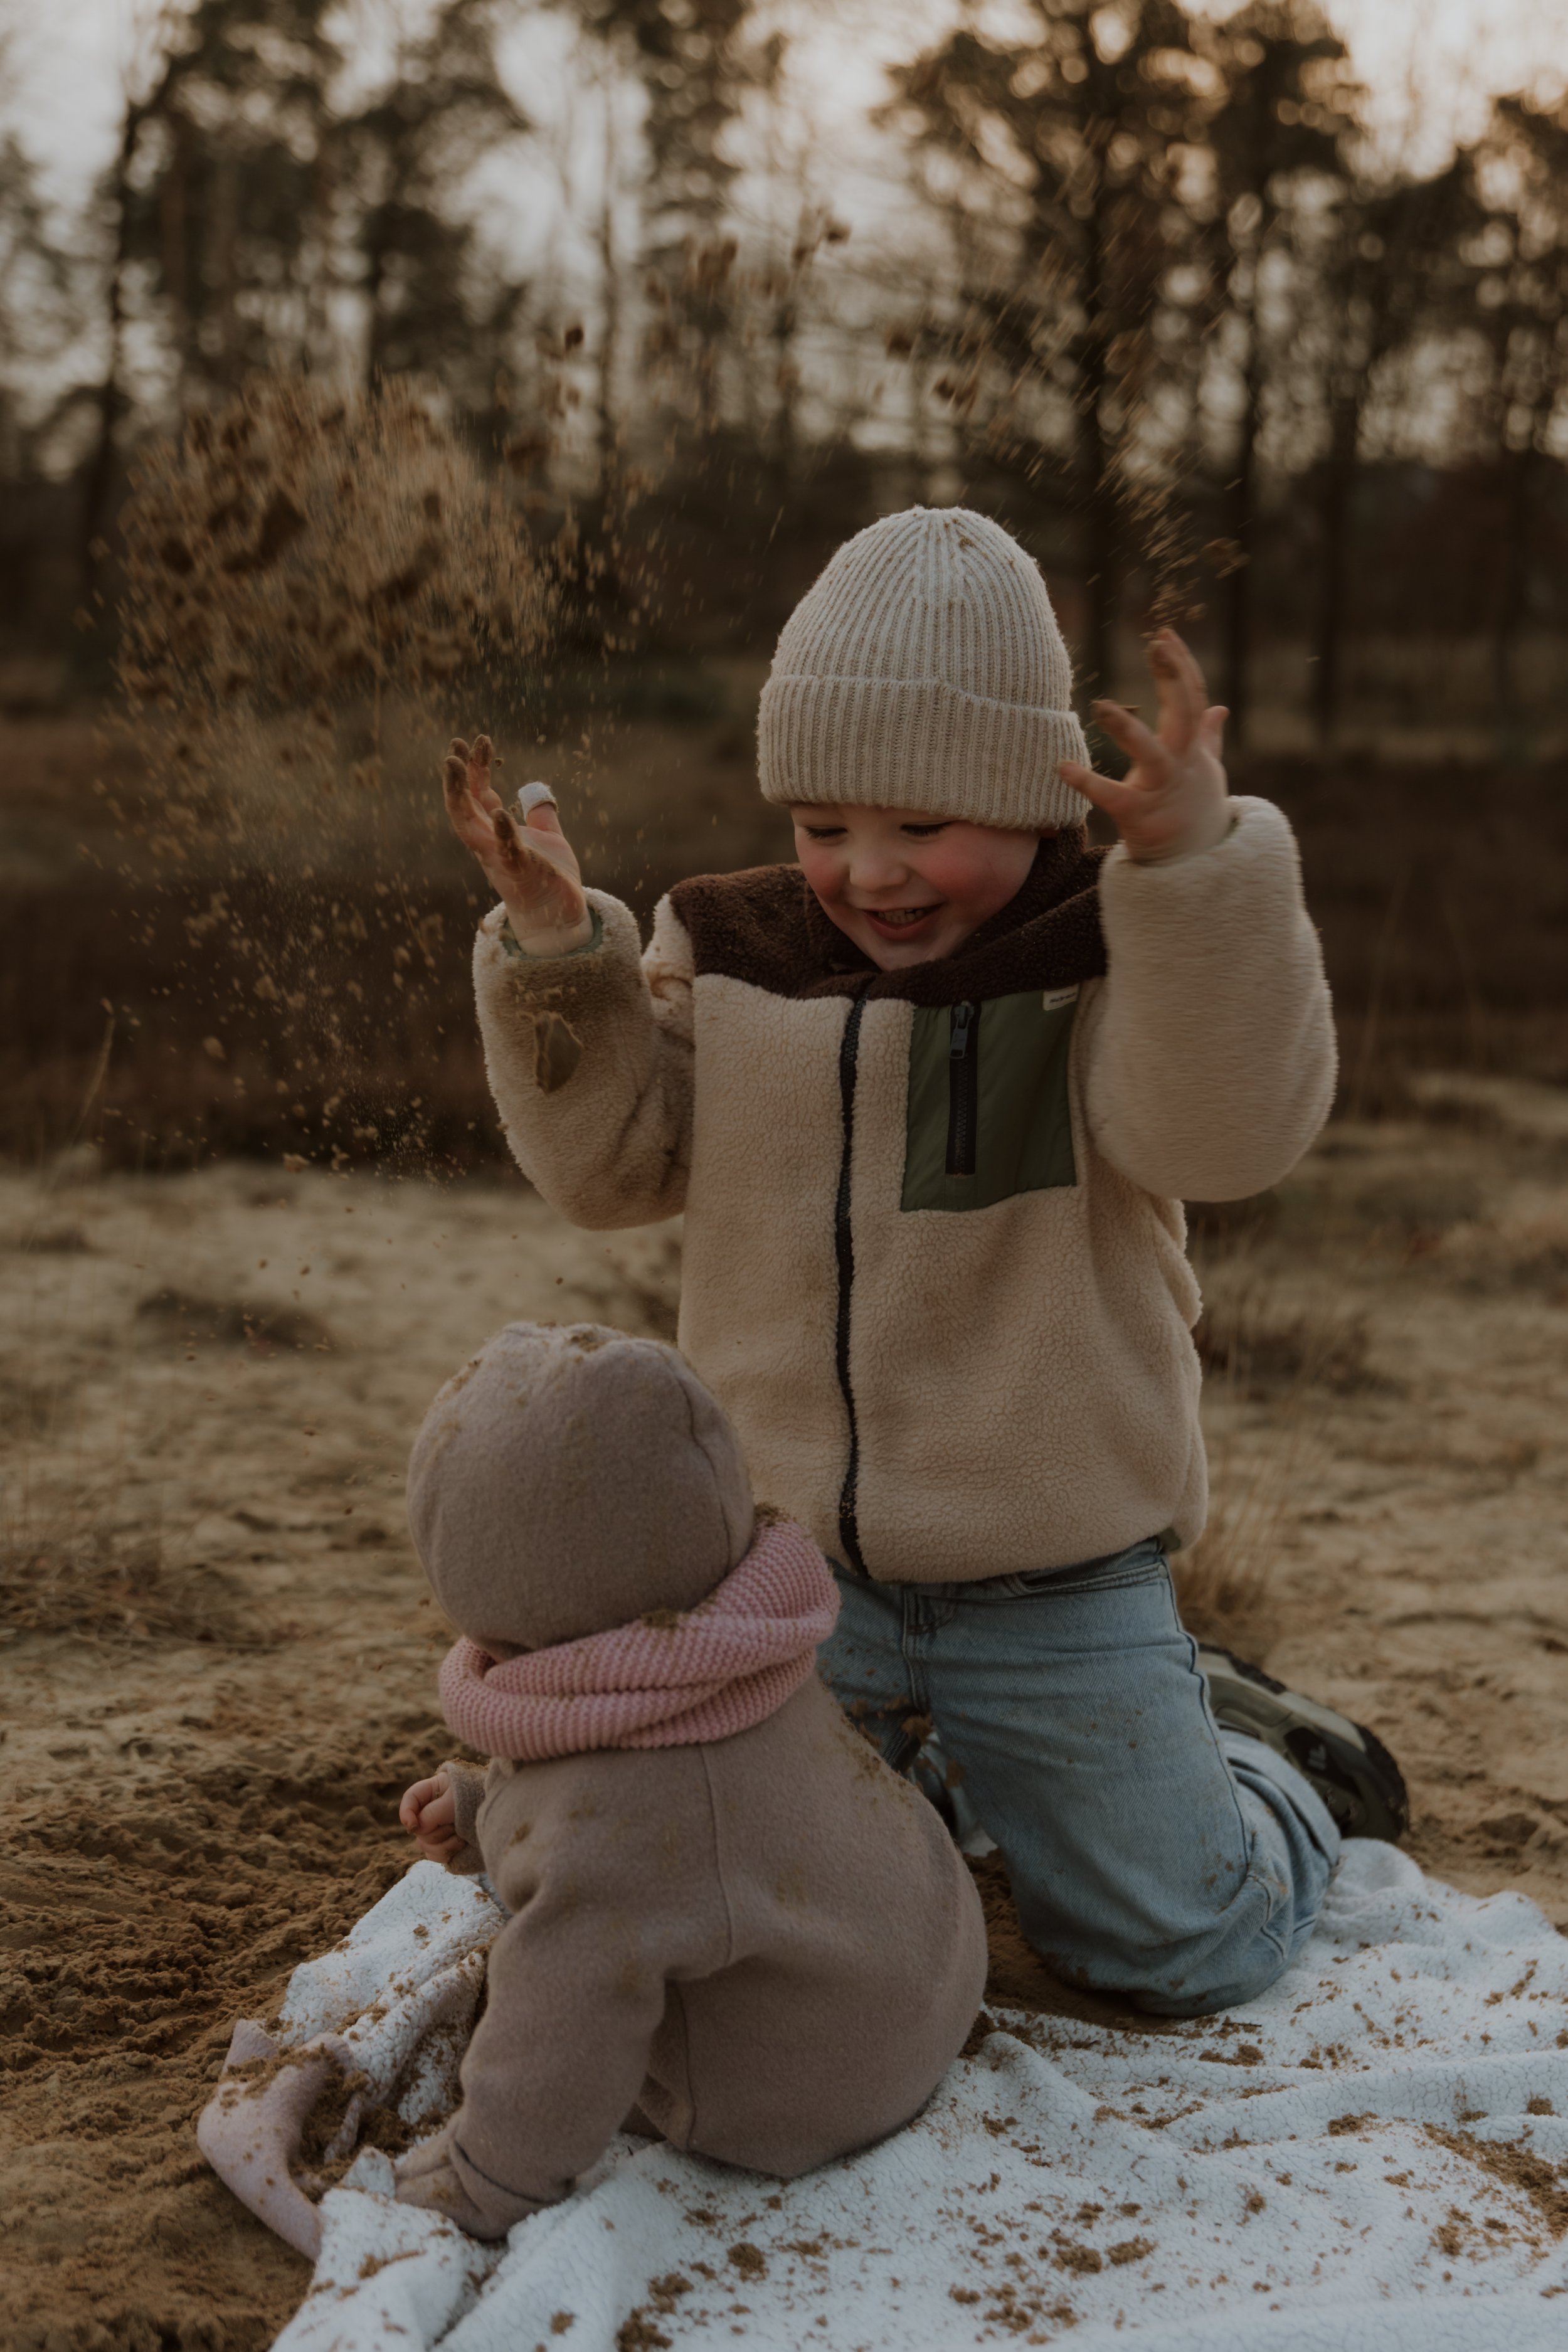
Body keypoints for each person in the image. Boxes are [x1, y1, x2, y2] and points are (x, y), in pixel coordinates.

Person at [440, 505, 1407, 2020]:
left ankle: (1257, 1758)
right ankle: (918, 1771)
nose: (866, 873)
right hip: (787, 1578)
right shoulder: (739, 952)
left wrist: (1197, 872)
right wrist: (559, 956)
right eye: (822, 826)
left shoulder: (1097, 957)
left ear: (1035, 804)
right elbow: (610, 1170)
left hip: (1056, 1582)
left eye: (918, 827)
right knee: (738, 1903)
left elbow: (1226, 1138)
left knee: (1172, 1951)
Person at [393, 1320, 987, 2240]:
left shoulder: (628, 1828)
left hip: (818, 2089)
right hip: (932, 1950)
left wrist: (483, 2175)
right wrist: (488, 1810)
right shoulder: (733, 1642)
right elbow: (613, 1782)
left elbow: (562, 2036)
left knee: (562, 1992)